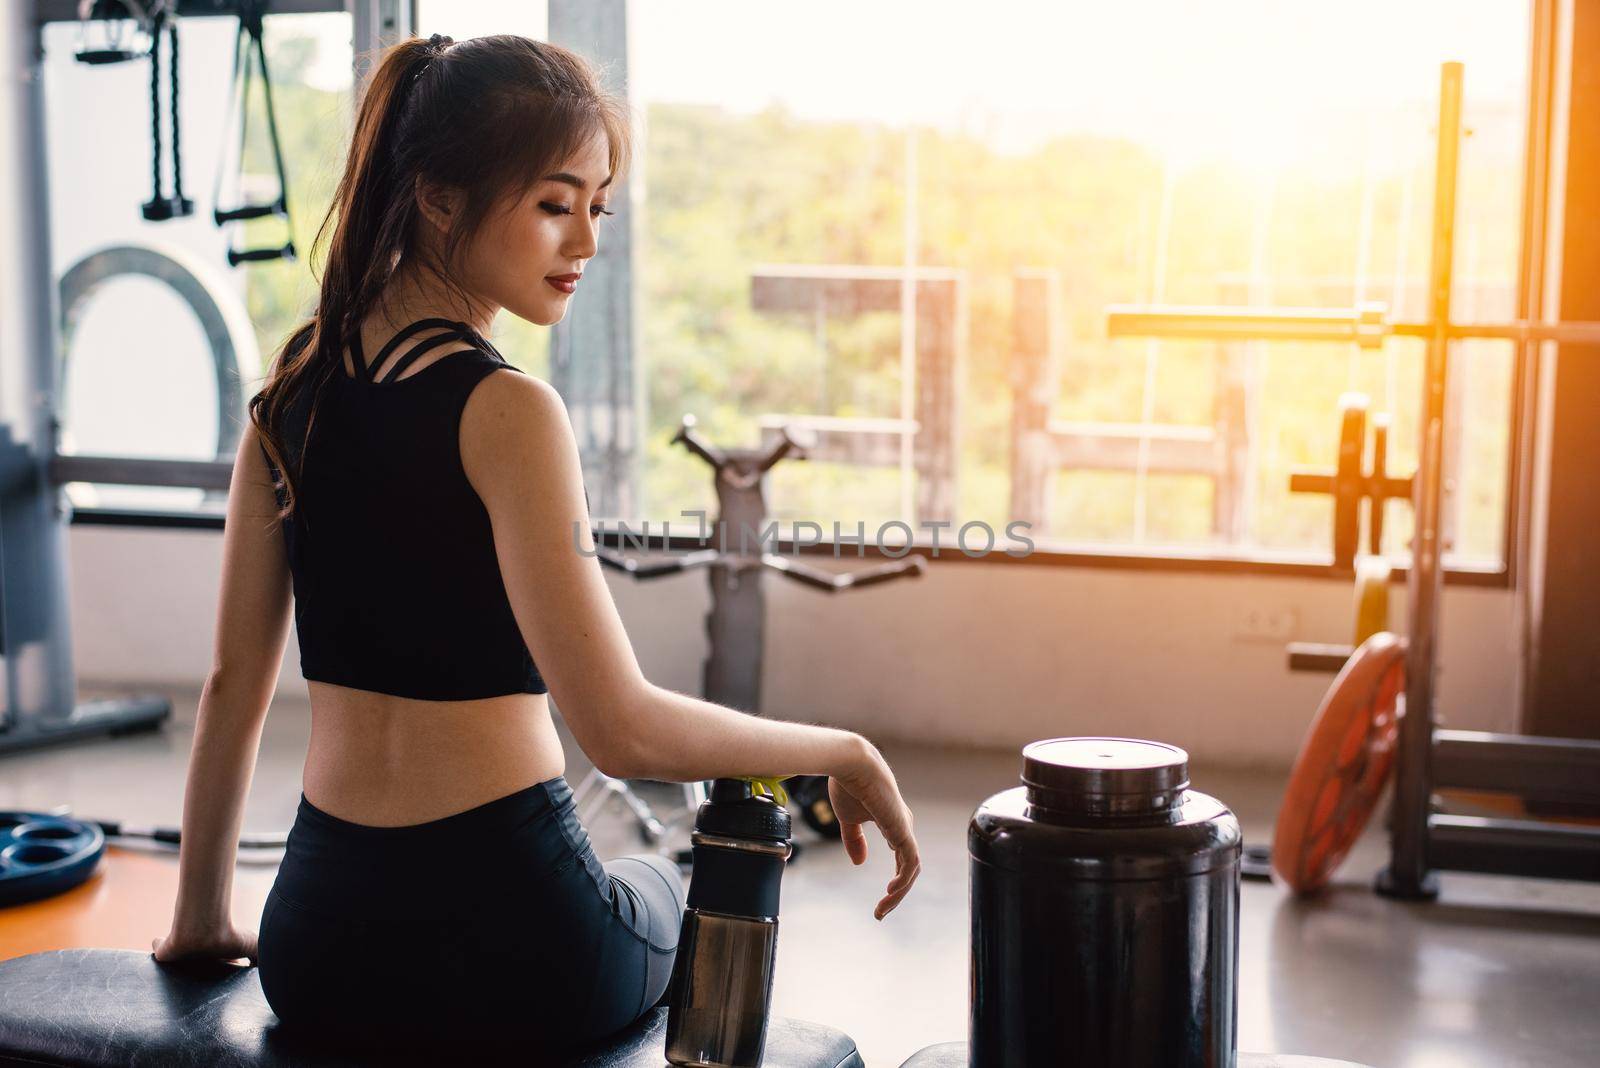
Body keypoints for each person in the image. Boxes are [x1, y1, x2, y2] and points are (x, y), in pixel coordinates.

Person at [149, 32, 919, 1058]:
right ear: (437, 196)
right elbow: (622, 731)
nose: (586, 244)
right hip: (511, 949)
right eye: (555, 204)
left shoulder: (290, 393)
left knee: (629, 879)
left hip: (317, 948)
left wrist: (201, 920)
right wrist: (841, 749)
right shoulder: (507, 410)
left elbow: (230, 683)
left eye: (598, 207)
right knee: (660, 881)